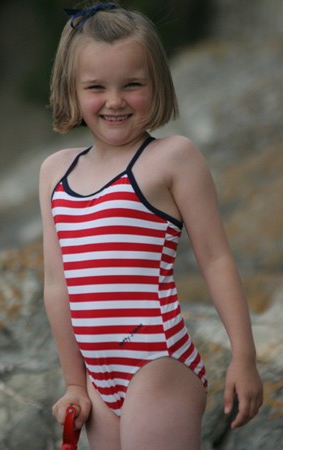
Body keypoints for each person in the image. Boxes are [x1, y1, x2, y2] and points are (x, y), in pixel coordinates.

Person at [39, 2, 263, 449]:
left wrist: (244, 355)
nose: (115, 100)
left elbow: (216, 258)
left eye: (133, 85)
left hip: (158, 363)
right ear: (72, 88)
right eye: (96, 87)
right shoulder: (55, 171)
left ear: (156, 84)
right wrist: (76, 385)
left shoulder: (172, 158)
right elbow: (57, 284)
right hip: (98, 380)